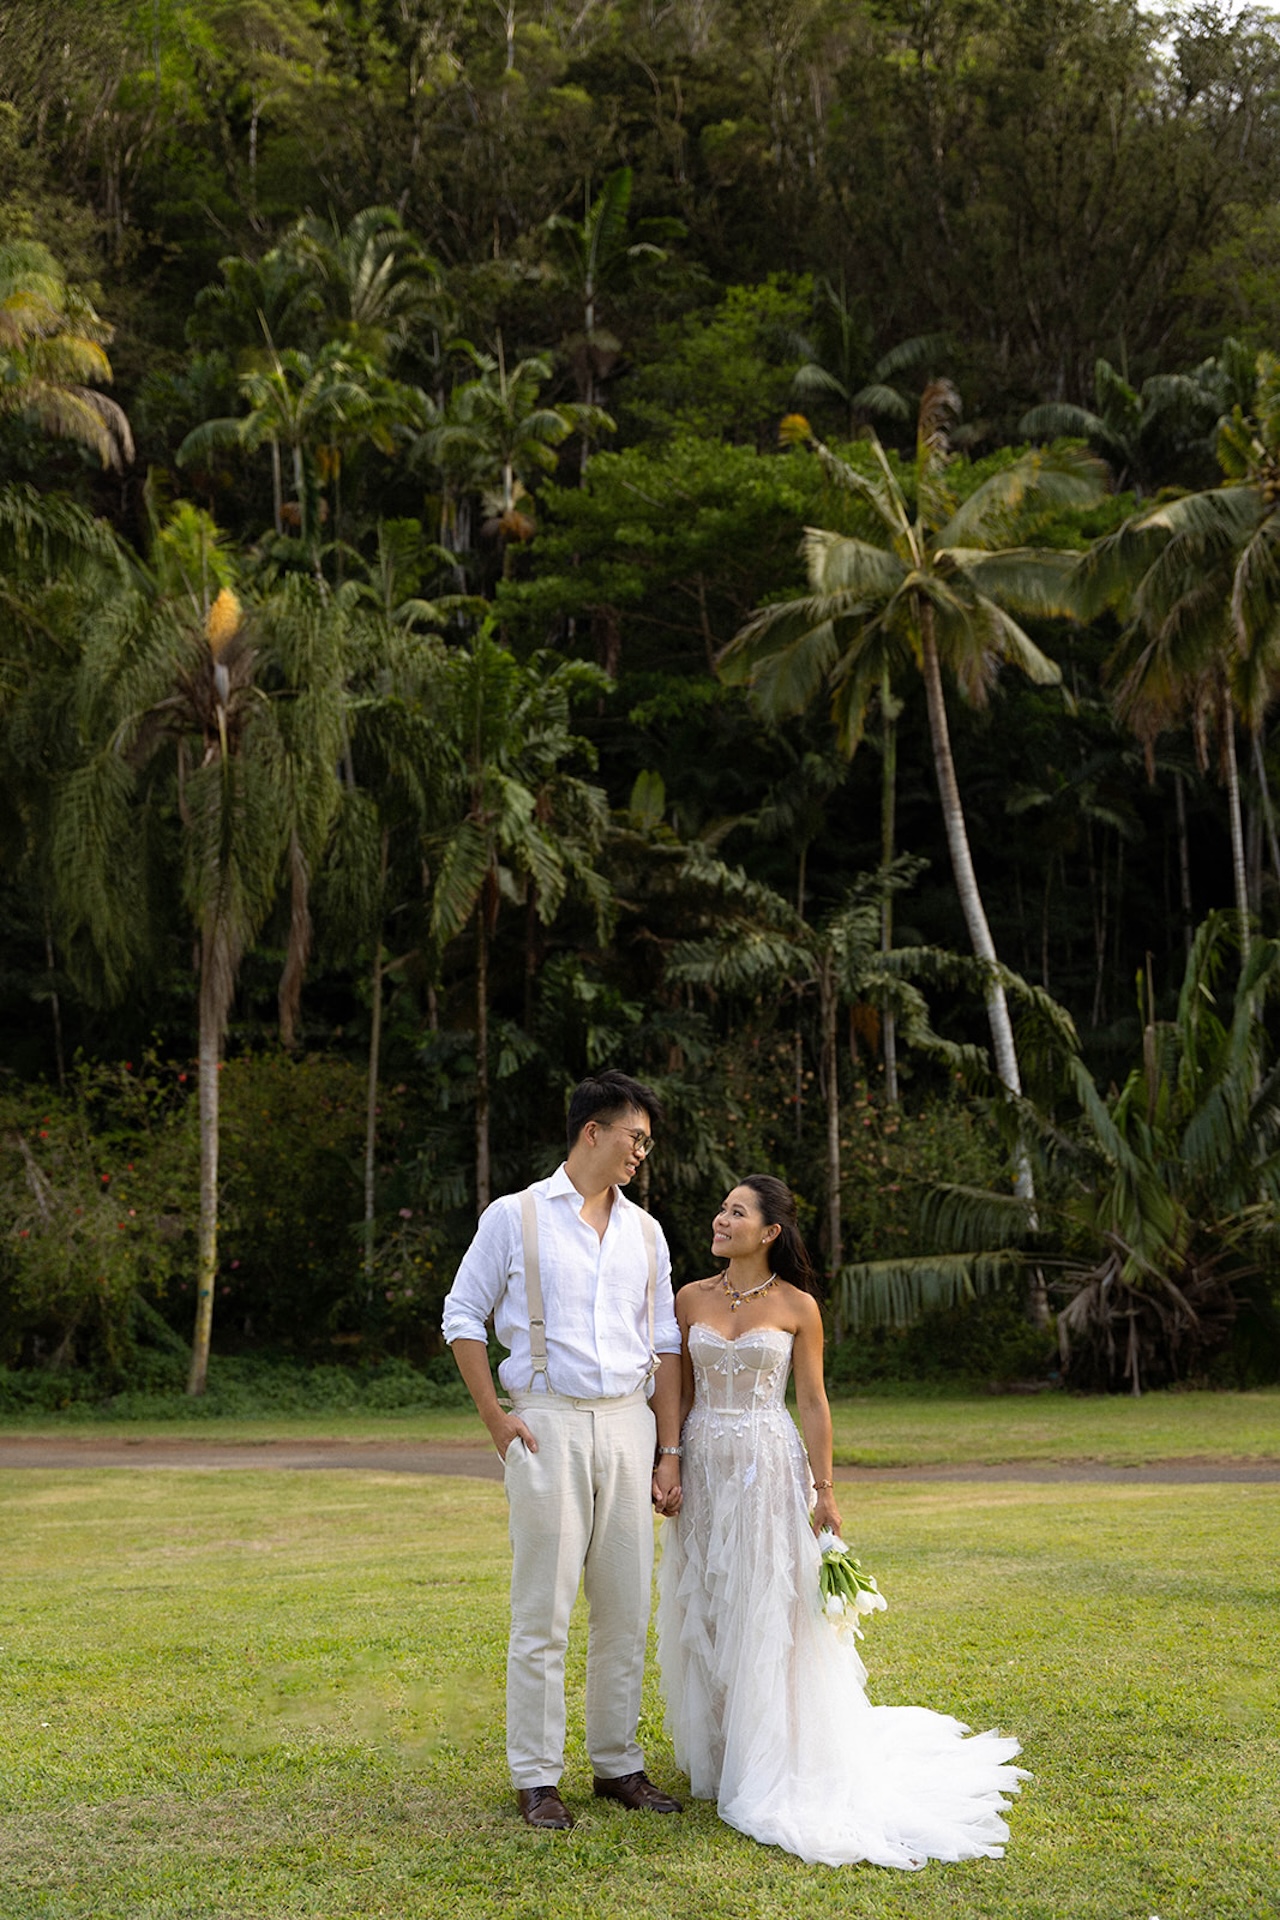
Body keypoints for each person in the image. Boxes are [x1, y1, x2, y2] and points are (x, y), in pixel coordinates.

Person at [656, 1173, 1026, 1869]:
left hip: (768, 1464)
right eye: (721, 1209)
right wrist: (668, 1459)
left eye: (736, 1212)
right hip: (704, 1462)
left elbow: (815, 1401)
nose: (720, 1218)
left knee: (768, 1599)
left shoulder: (798, 1306)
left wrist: (824, 1489)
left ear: (769, 1232)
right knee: (705, 1596)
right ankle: (719, 1745)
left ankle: (772, 1750)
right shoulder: (689, 1298)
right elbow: (675, 1386)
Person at [442, 1069, 685, 1831]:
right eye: (634, 1138)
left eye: (646, 1143)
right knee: (542, 1610)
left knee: (624, 1610)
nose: (641, 1153)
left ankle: (618, 1766)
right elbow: (461, 1316)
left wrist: (667, 1447)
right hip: (544, 1419)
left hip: (628, 1422)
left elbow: (667, 1345)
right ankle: (537, 1779)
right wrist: (495, 1417)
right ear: (593, 1132)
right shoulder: (513, 1218)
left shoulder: (647, 1232)